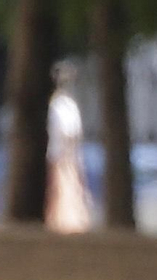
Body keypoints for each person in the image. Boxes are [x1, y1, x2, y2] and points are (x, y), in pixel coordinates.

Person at [45, 61, 92, 233]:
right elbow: (70, 134)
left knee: (66, 194)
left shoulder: (64, 105)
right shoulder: (59, 106)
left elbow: (72, 135)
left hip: (64, 159)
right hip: (59, 158)